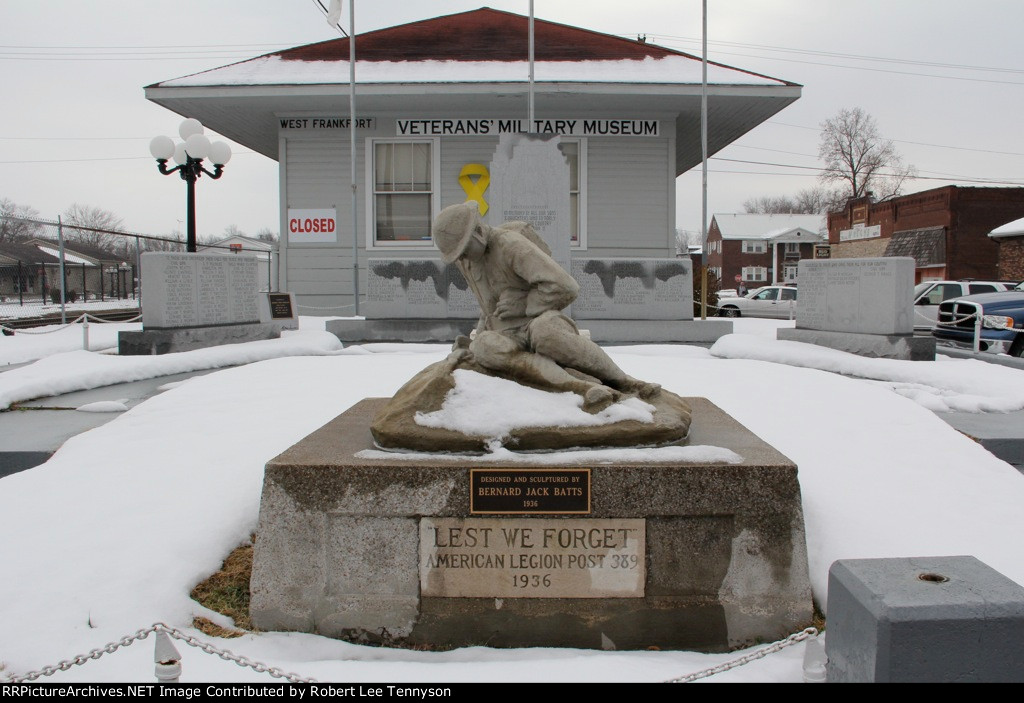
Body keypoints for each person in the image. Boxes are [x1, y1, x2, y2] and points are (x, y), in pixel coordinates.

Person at [434, 201, 660, 412]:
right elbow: (487, 305)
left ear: (479, 233)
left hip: (537, 320)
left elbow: (566, 287)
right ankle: (582, 388)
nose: (461, 258)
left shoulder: (511, 245)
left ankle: (626, 382)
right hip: (505, 333)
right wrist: (477, 339)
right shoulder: (467, 262)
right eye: (456, 255)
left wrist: (524, 304)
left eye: (463, 250)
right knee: (484, 346)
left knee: (546, 334)